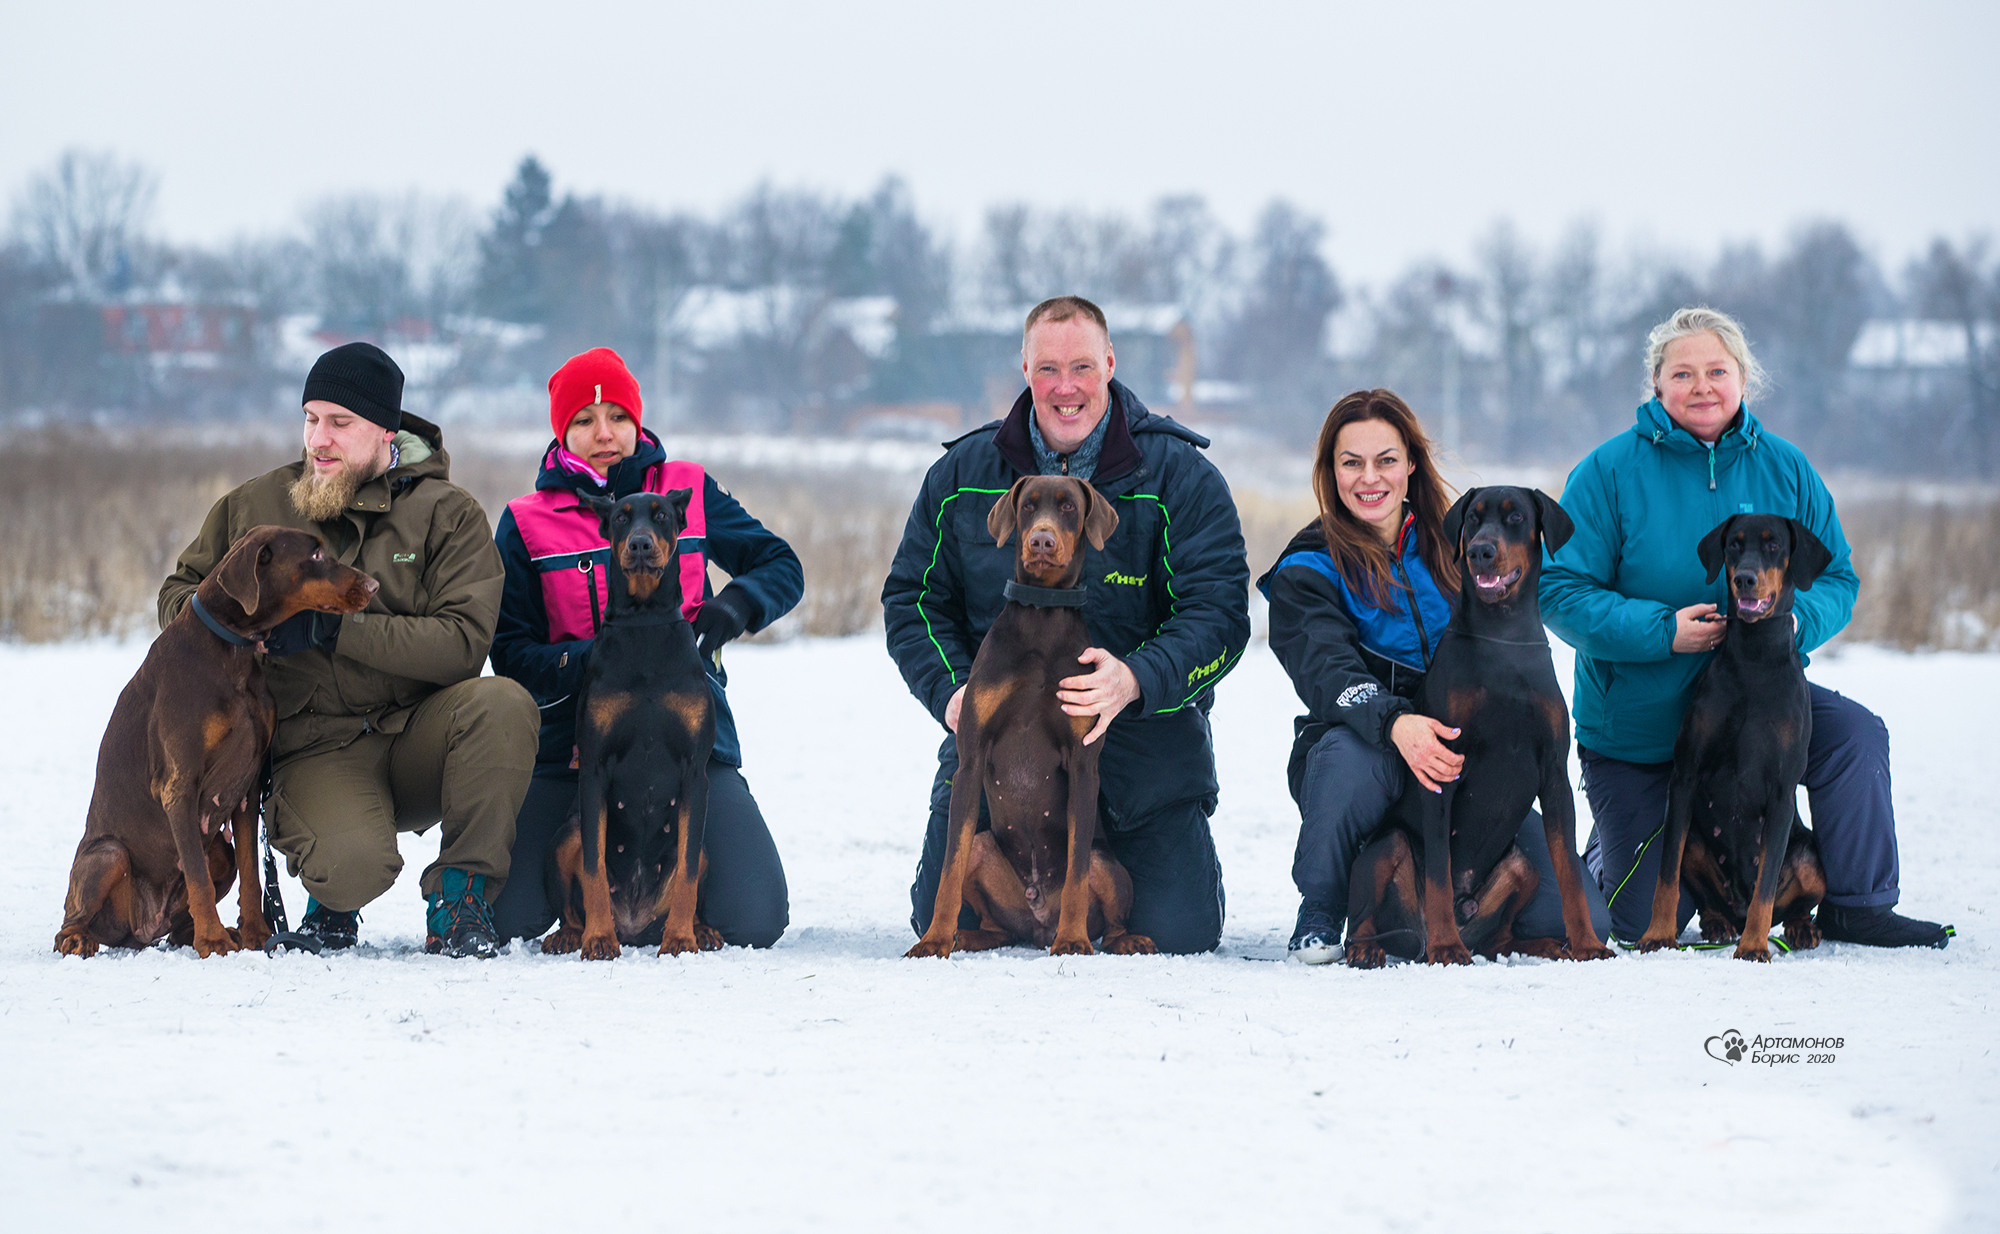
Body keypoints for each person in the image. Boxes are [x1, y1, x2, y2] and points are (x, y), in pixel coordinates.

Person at [1541, 306, 1952, 949]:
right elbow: (1557, 588)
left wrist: (1792, 623)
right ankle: (1618, 840)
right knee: (1642, 919)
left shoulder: (1786, 468)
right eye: (1683, 373)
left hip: (1764, 698)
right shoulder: (1608, 472)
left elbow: (1839, 577)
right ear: (1656, 385)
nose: (1701, 386)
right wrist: (1661, 631)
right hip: (1642, 730)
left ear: (1743, 379)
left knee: (1854, 736)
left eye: (1717, 370)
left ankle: (1861, 903)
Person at [882, 295, 1249, 955]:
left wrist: (1137, 678)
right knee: (948, 924)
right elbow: (911, 599)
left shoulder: (1180, 476)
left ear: (1109, 364)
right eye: (1048, 368)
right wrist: (951, 693)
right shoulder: (962, 477)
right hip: (1002, 758)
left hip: (1140, 750)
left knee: (1177, 931)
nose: (1065, 386)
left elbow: (1221, 616)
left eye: (1081, 365)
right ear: (1024, 369)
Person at [160, 342, 538, 958]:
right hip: (313, 747)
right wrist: (235, 629)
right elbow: (179, 597)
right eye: (311, 419)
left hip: (419, 732)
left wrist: (332, 630)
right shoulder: (254, 507)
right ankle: (330, 904)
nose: (319, 440)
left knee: (501, 705)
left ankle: (461, 900)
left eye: (340, 423)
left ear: (387, 432)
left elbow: (464, 645)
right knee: (353, 868)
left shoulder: (449, 514)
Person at [1258, 389, 1611, 963]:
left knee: (1589, 919)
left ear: (1410, 464)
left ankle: (1484, 927)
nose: (1369, 477)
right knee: (1353, 761)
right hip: (1368, 744)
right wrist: (1397, 722)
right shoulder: (1309, 565)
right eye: (1351, 462)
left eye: (1386, 460)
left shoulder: (1457, 543)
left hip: (1466, 760)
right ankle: (1322, 909)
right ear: (1330, 473)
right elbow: (1328, 673)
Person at [488, 347, 800, 948]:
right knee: (508, 918)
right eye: (583, 420)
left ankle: (668, 907)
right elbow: (510, 653)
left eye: (618, 418)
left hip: (689, 756)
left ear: (638, 421)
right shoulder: (527, 521)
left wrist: (733, 608)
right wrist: (594, 660)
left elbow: (781, 564)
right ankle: (592, 910)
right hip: (572, 758)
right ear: (561, 431)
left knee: (753, 917)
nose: (604, 434)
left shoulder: (687, 489)